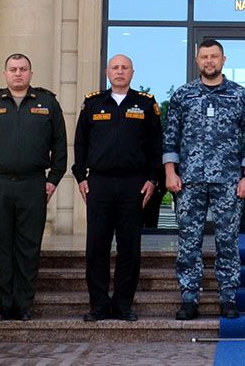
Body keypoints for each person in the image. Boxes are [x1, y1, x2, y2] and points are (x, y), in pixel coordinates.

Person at [0, 53, 68, 321]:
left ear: (31, 74)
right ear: (5, 74)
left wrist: (52, 180)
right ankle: (4, 306)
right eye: (13, 69)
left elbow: (60, 145)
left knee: (28, 246)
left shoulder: (47, 102)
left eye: (23, 69)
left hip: (33, 183)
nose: (18, 73)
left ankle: (23, 305)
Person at [163, 39, 245, 320]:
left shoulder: (240, 96)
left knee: (227, 240)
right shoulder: (183, 95)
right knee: (189, 241)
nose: (209, 61)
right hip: (189, 180)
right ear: (197, 60)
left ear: (223, 59)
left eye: (214, 56)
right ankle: (189, 297)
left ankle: (228, 297)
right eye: (204, 57)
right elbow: (170, 137)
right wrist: (170, 172)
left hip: (229, 181)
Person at [72, 54, 162, 322]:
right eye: (115, 68)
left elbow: (157, 145)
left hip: (133, 185)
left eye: (124, 68)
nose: (120, 72)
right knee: (96, 246)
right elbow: (80, 144)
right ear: (107, 72)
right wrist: (81, 177)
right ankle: (98, 304)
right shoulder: (93, 104)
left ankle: (123, 304)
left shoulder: (146, 104)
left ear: (132, 73)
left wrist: (152, 179)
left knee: (129, 247)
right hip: (98, 183)